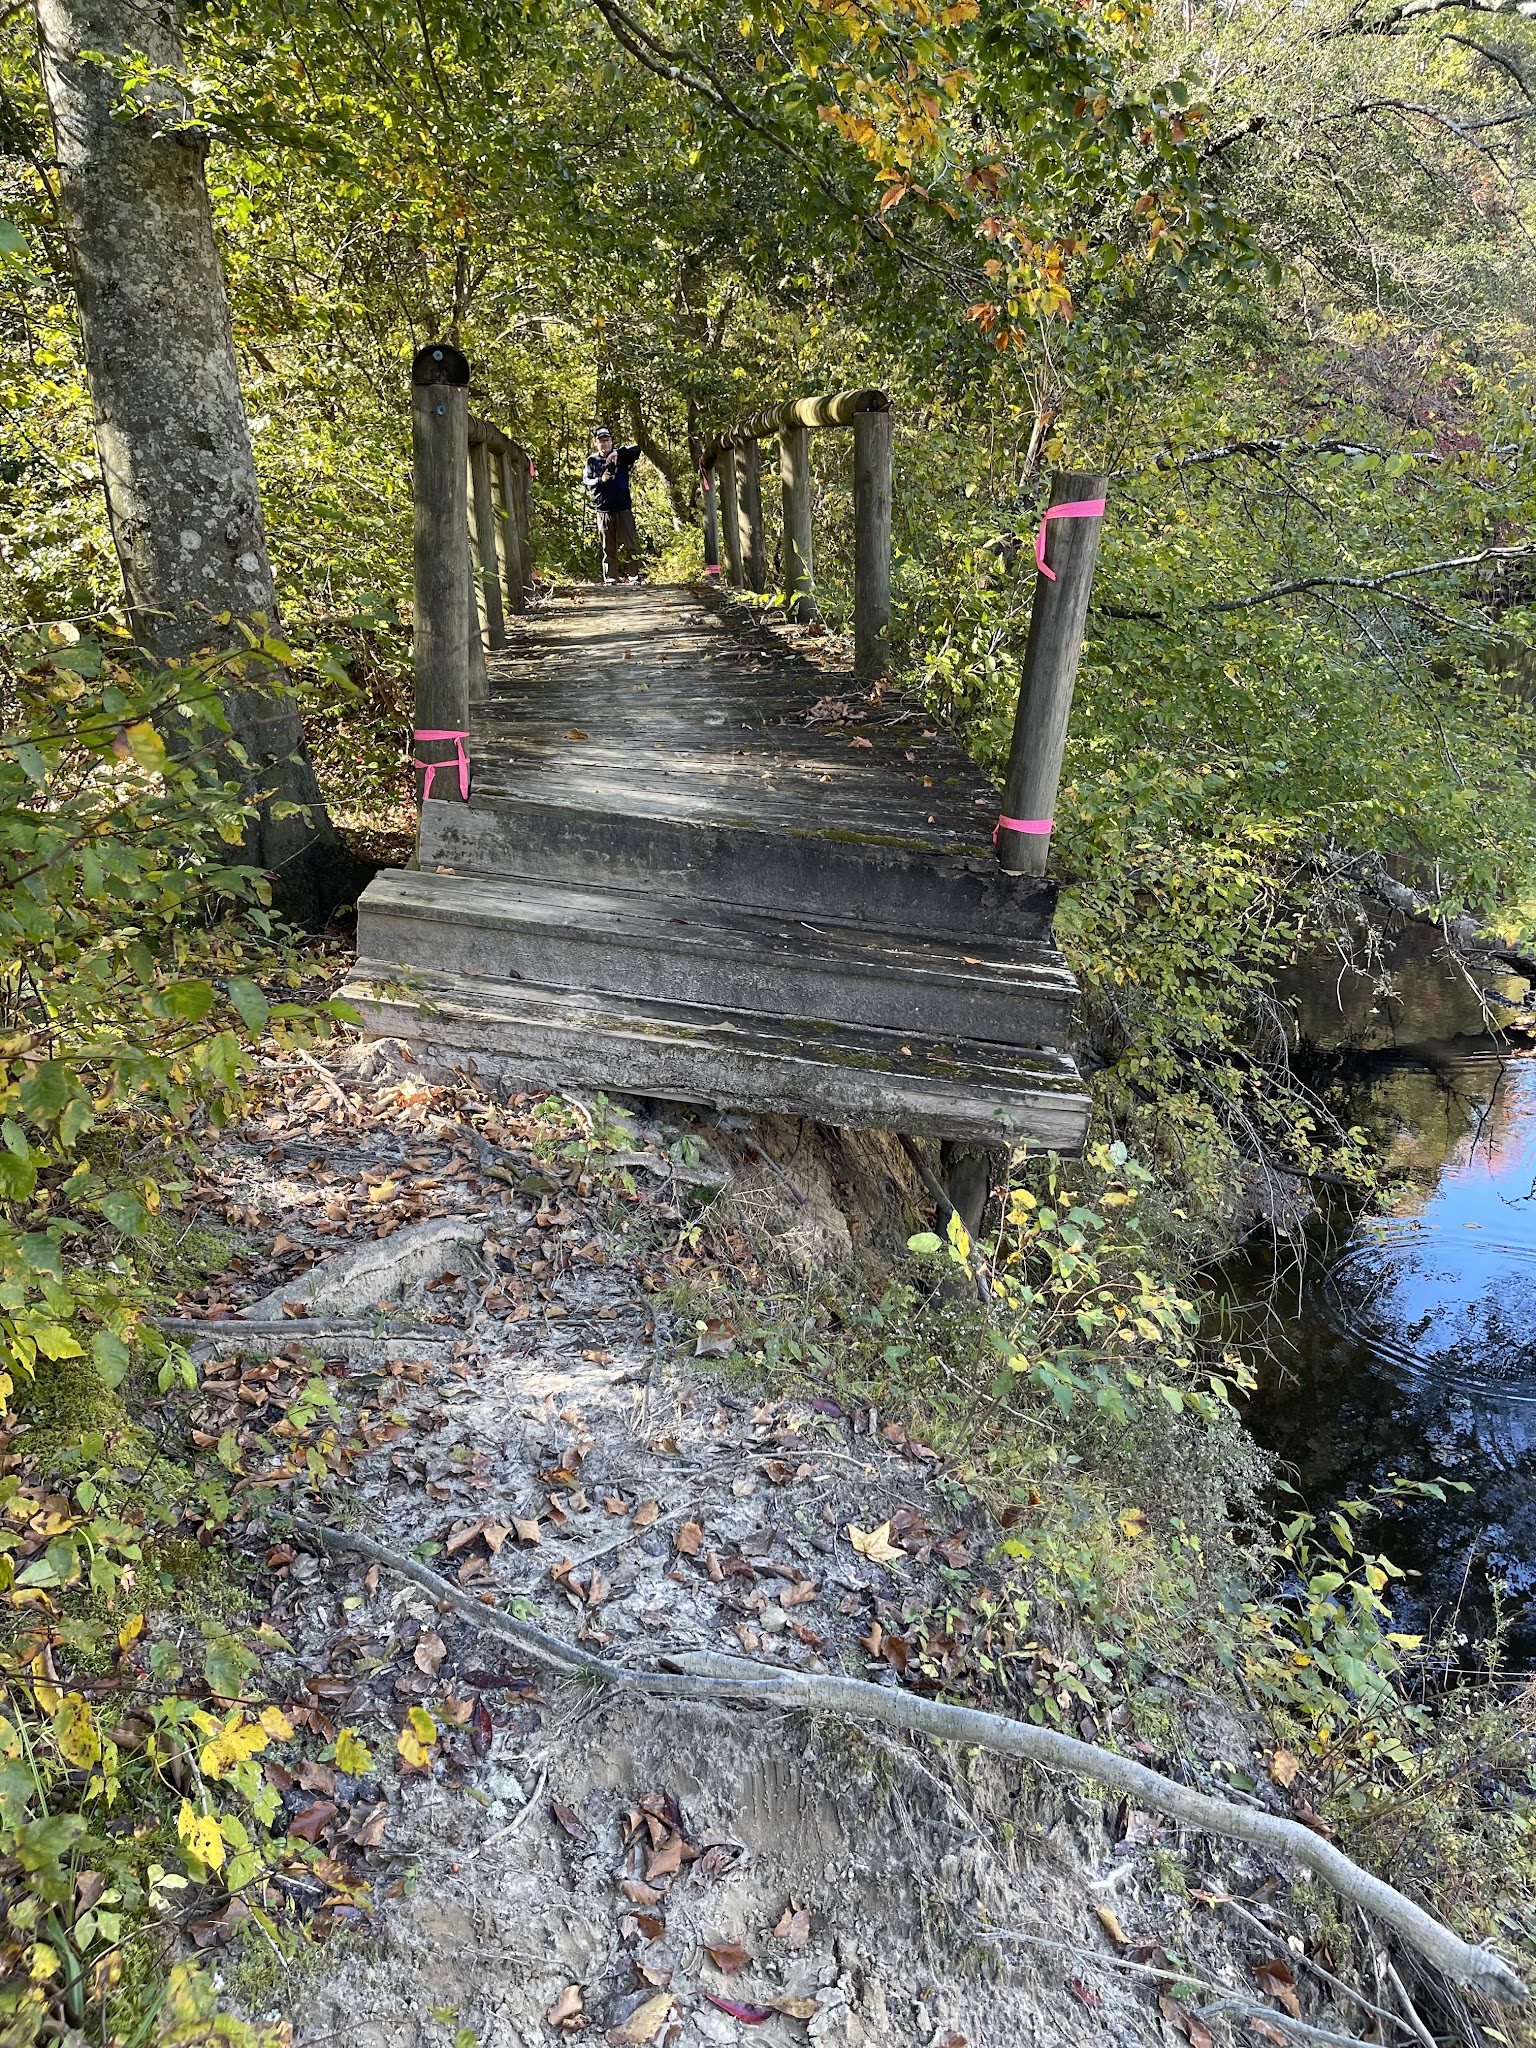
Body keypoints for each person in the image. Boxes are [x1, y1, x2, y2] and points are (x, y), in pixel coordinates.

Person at [582, 427, 643, 584]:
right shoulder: (592, 461)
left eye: (607, 440)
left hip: (623, 509)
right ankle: (610, 578)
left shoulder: (621, 455)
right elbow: (587, 482)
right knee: (608, 548)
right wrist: (601, 480)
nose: (605, 443)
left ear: (611, 441)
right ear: (596, 443)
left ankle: (634, 576)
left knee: (631, 546)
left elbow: (637, 450)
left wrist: (618, 454)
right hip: (603, 510)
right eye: (601, 441)